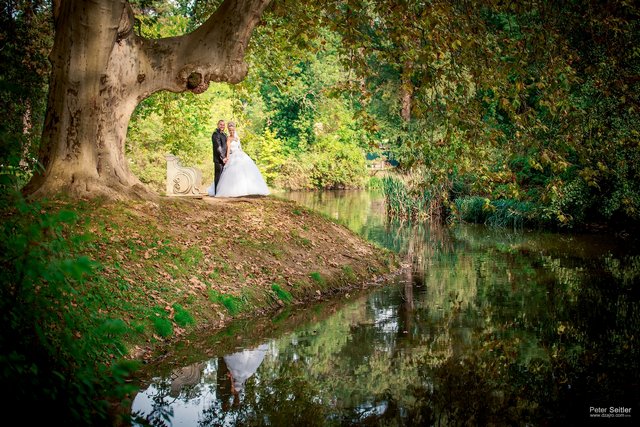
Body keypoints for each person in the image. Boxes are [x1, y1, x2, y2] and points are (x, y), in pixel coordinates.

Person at [214, 122, 270, 197]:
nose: (232, 132)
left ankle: (248, 189)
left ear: (234, 130)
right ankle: (231, 190)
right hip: (233, 155)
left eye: (233, 130)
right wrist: (227, 158)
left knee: (245, 170)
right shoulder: (228, 138)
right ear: (228, 130)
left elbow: (240, 148)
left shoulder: (237, 138)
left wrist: (243, 155)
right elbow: (228, 149)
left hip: (240, 154)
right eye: (230, 130)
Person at [208, 119, 228, 196]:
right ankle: (216, 193)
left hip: (225, 159)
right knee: (218, 176)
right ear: (217, 125)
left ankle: (222, 193)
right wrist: (223, 158)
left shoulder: (225, 135)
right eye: (220, 124)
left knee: (224, 177)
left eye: (223, 125)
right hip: (218, 160)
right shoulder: (215, 134)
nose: (222, 126)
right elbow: (218, 147)